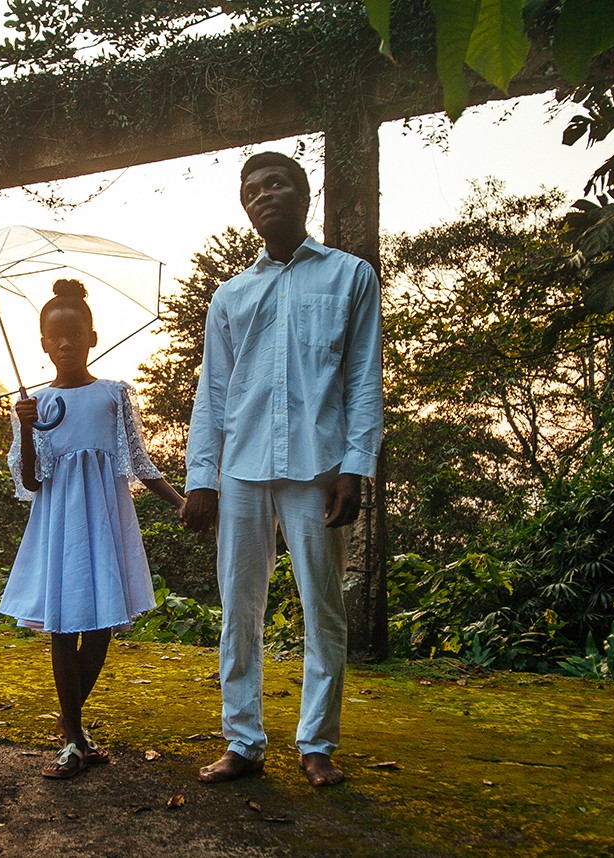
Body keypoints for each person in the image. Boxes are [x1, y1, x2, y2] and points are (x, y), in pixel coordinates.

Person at [181, 152, 383, 787]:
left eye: (276, 185)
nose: (263, 196)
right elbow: (213, 391)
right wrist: (201, 477)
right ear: (246, 208)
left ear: (304, 193)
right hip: (241, 468)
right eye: (251, 191)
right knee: (238, 608)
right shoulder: (231, 295)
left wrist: (355, 468)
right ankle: (243, 741)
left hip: (317, 464)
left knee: (323, 604)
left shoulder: (350, 276)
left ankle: (316, 743)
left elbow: (363, 376)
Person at [0, 277, 186, 780]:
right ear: (43, 344)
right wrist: (28, 428)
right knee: (62, 627)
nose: (66, 344)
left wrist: (180, 501)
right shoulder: (34, 405)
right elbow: (31, 480)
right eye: (56, 337)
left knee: (102, 625)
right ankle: (75, 741)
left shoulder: (113, 395)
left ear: (92, 338)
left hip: (104, 521)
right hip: (59, 525)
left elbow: (139, 461)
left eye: (75, 335)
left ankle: (72, 726)